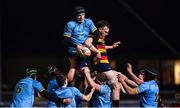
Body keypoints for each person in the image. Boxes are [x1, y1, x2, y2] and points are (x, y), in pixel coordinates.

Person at [84, 20, 123, 107]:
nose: (107, 33)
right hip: (101, 65)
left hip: (102, 66)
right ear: (100, 29)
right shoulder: (94, 34)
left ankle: (90, 105)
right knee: (117, 86)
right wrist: (97, 53)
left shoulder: (101, 38)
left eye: (108, 32)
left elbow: (100, 46)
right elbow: (87, 43)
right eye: (105, 31)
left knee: (95, 87)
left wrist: (111, 47)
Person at [63, 5, 100, 85]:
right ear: (75, 16)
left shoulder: (88, 22)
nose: (81, 17)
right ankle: (63, 88)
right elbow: (66, 40)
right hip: (74, 51)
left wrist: (92, 45)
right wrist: (76, 46)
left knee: (82, 74)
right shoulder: (70, 24)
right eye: (79, 15)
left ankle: (76, 92)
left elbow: (96, 33)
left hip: (85, 50)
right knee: (81, 72)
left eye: (83, 14)